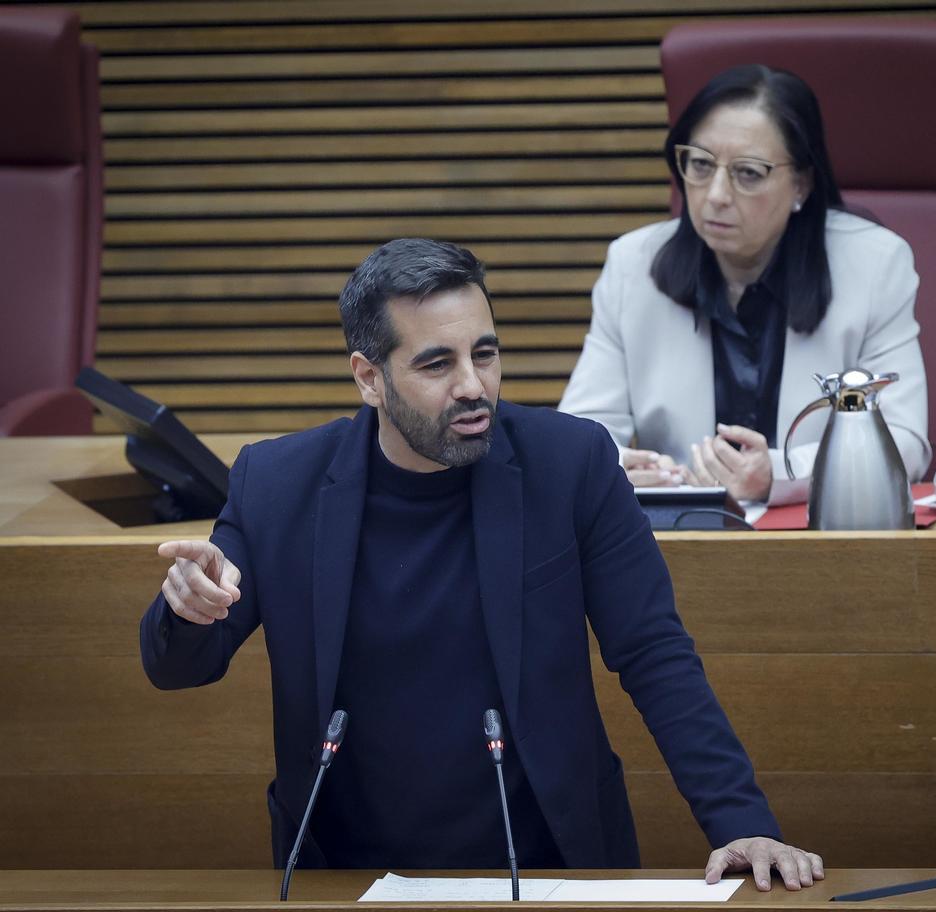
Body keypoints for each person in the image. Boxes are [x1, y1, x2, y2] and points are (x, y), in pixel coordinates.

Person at [140, 238, 823, 889]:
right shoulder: (277, 483)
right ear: (369, 379)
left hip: (549, 861)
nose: (474, 386)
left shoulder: (571, 464)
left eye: (486, 355)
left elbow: (654, 654)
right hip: (344, 874)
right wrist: (187, 607)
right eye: (437, 364)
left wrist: (741, 823)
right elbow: (180, 666)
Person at [559, 65, 931, 505]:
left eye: (748, 173)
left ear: (801, 184)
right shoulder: (632, 266)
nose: (715, 194)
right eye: (700, 164)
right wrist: (619, 467)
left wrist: (780, 473)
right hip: (682, 538)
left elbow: (904, 443)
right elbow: (578, 437)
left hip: (820, 534)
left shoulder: (875, 265)